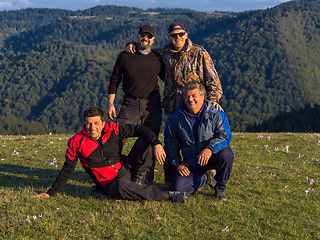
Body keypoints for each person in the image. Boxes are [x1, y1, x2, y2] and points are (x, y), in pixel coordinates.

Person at [127, 22, 223, 190]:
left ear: (186, 35)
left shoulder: (199, 53)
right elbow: (147, 52)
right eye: (174, 35)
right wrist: (136, 45)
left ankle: (207, 173)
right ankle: (171, 180)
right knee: (171, 142)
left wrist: (213, 99)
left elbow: (213, 80)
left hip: (196, 107)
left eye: (181, 34)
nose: (177, 37)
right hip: (173, 108)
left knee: (199, 141)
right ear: (169, 37)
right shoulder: (163, 52)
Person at [33, 107, 187, 203]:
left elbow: (140, 129)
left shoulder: (113, 129)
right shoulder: (76, 142)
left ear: (103, 123)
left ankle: (140, 177)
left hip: (125, 168)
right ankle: (166, 196)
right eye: (88, 123)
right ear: (84, 123)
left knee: (145, 139)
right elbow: (67, 169)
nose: (92, 127)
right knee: (121, 187)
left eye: (96, 123)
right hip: (110, 184)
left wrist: (156, 144)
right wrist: (50, 193)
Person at [107, 25, 165, 186]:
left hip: (151, 104)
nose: (145, 38)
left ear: (153, 39)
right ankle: (111, 173)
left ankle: (143, 175)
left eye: (148, 36)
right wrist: (110, 103)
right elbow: (115, 79)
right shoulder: (125, 56)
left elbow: (168, 79)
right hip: (129, 102)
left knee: (150, 138)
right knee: (117, 138)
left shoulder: (158, 58)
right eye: (142, 35)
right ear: (137, 37)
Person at [164, 81, 234, 201]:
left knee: (227, 154)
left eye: (194, 95)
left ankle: (220, 188)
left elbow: (225, 136)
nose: (190, 99)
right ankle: (205, 178)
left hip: (212, 157)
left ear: (202, 97)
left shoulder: (216, 112)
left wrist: (210, 149)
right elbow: (170, 142)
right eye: (187, 96)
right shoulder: (177, 116)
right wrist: (177, 163)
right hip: (192, 162)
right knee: (178, 189)